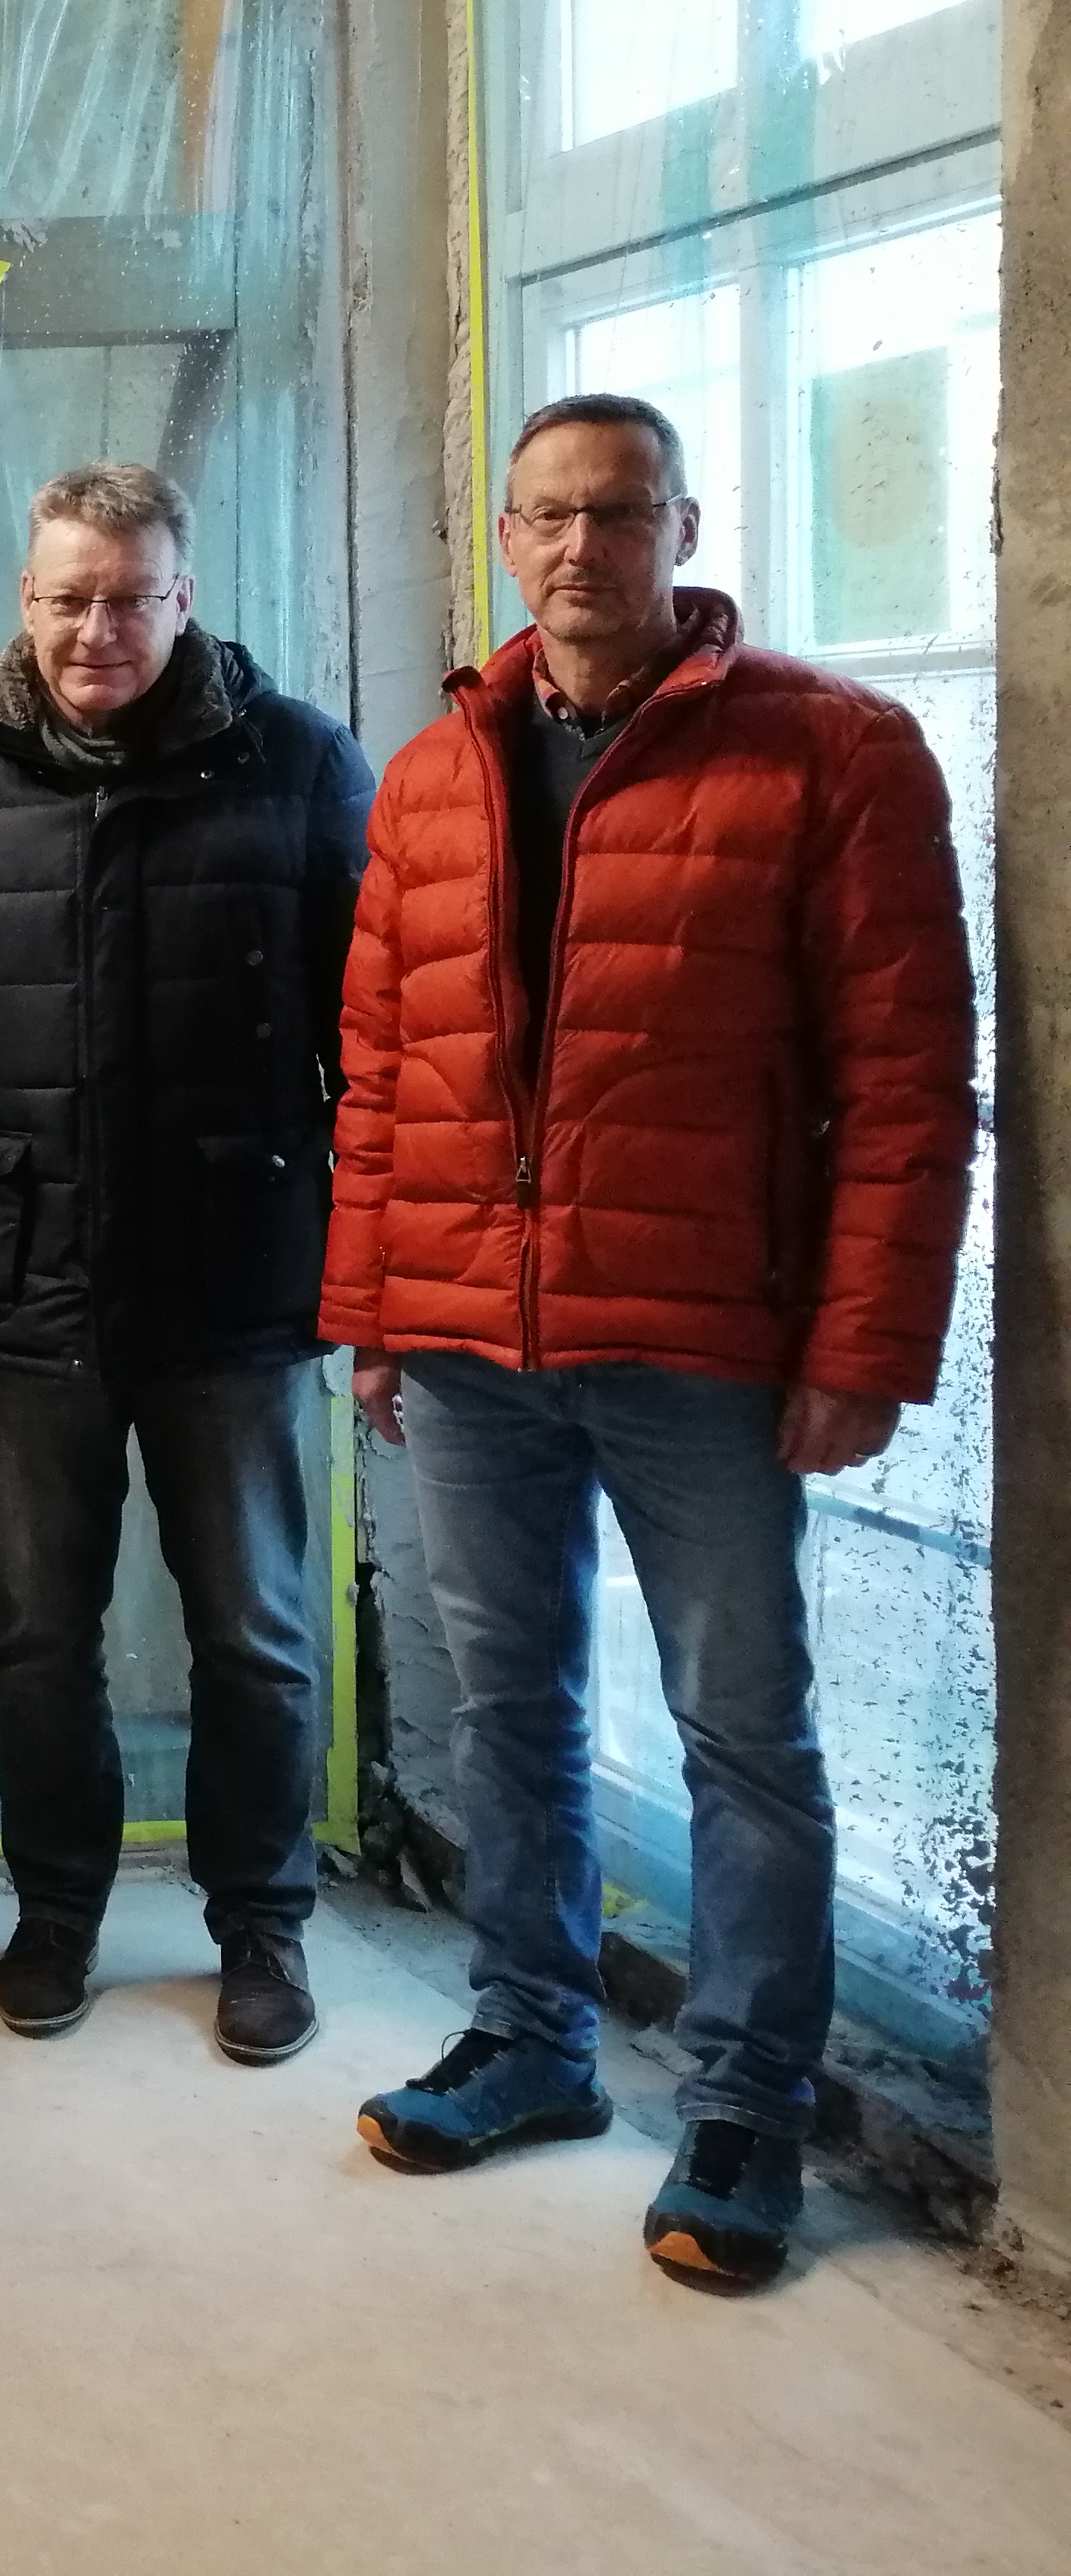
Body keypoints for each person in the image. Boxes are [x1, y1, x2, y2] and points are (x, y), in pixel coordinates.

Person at [334, 393, 974, 2291]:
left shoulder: (832, 754)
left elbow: (907, 1084)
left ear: (681, 528)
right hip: (466, 1341)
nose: (574, 549)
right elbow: (381, 1071)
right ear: (504, 534)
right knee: (505, 1702)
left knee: (739, 1730)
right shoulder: (431, 773)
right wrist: (373, 1301)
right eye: (543, 515)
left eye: (616, 514)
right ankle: (531, 2042)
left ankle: (745, 2108)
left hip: (702, 1339)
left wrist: (860, 1344)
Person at [0, 464, 372, 2066]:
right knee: (35, 1634)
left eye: (128, 596)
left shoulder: (297, 765)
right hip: (17, 1280)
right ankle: (55, 1910)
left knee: (255, 1633)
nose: (96, 628)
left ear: (181, 597)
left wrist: (363, 1248)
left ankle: (258, 1928)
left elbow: (383, 1031)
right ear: (24, 602)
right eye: (66, 597)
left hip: (235, 1281)